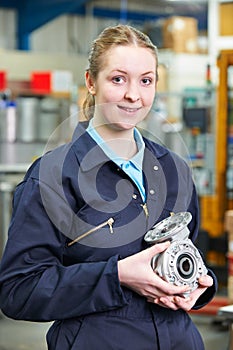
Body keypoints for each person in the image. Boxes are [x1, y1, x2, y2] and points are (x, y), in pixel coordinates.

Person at [0, 24, 216, 350]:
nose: (134, 94)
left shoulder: (176, 170)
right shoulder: (53, 176)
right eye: (118, 79)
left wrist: (200, 284)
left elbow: (188, 256)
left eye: (146, 80)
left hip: (181, 341)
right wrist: (116, 276)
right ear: (91, 82)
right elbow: (19, 291)